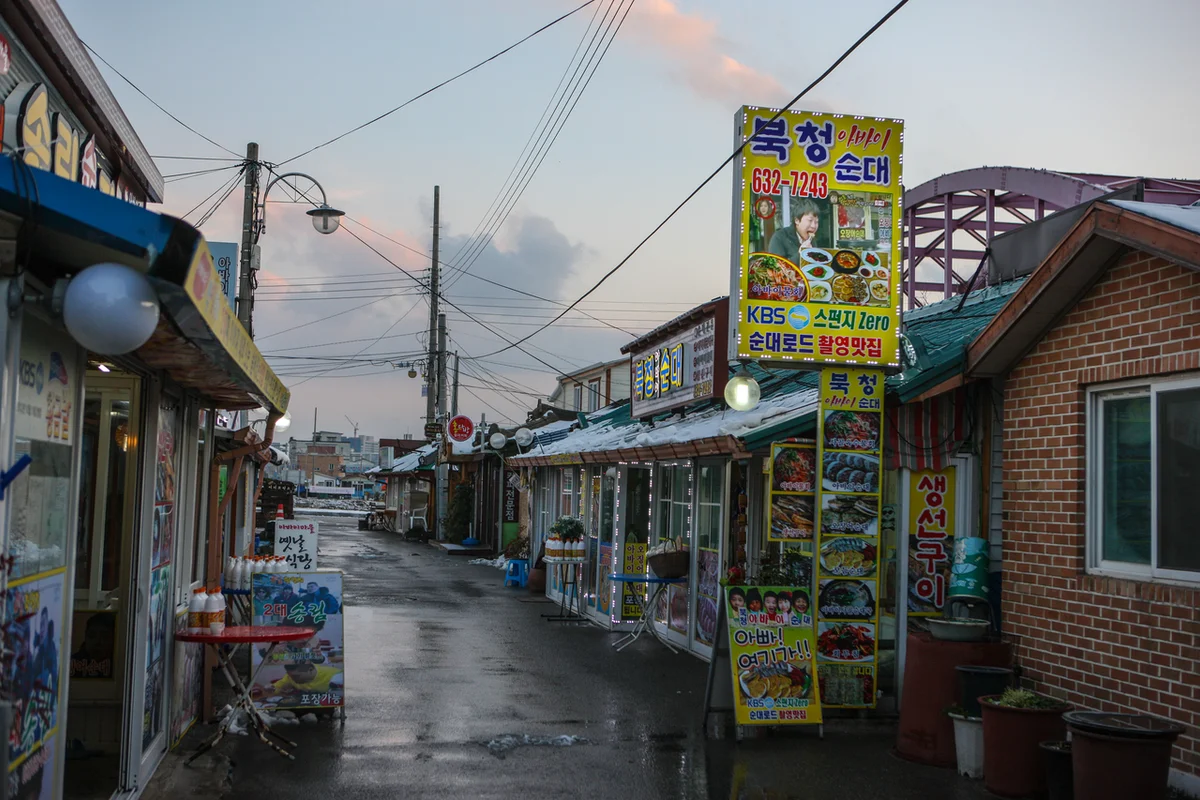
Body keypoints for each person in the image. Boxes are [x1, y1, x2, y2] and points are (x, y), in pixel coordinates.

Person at [768, 199, 824, 264]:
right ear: (797, 220)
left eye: (816, 222)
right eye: (810, 220)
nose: (813, 226)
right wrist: (800, 254)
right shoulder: (779, 237)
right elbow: (776, 268)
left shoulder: (812, 241)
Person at [268, 661, 342, 698]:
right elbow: (276, 687)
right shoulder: (290, 676)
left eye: (297, 676)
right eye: (290, 675)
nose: (293, 680)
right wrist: (271, 688)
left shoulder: (335, 675)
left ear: (310, 670)